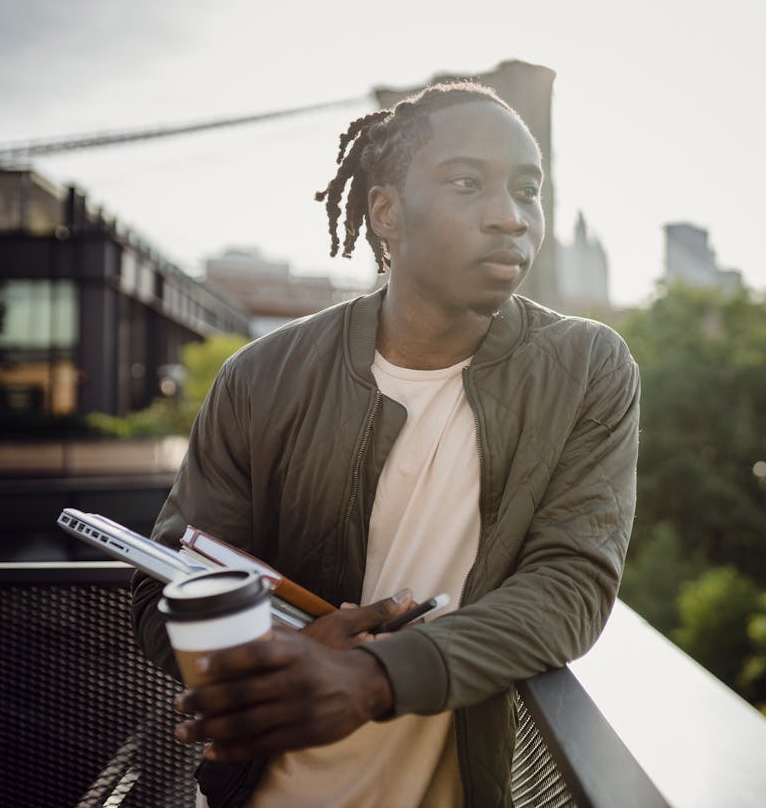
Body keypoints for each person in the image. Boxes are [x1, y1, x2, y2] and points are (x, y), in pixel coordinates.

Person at [130, 80, 641, 807]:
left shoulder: (587, 368)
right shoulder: (260, 379)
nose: (510, 217)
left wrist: (375, 676)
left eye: (528, 190)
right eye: (469, 183)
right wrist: (272, 654)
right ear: (387, 211)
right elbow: (163, 588)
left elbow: (572, 585)